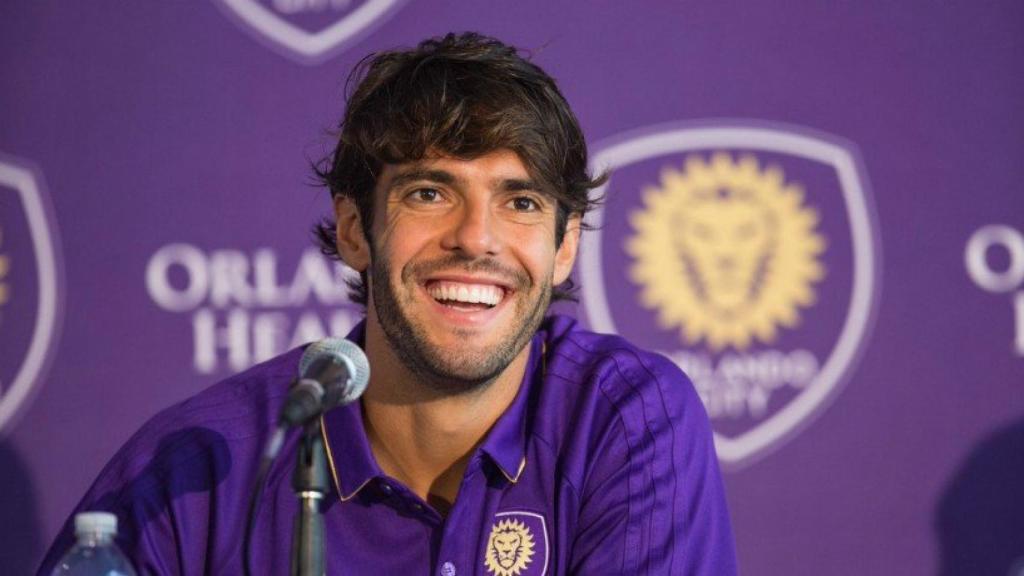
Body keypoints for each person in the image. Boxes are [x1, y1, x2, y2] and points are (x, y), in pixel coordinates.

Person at [39, 33, 737, 575]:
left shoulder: (625, 419)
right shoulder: (202, 463)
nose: (476, 238)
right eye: (429, 193)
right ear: (353, 230)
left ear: (565, 247)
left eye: (521, 202)